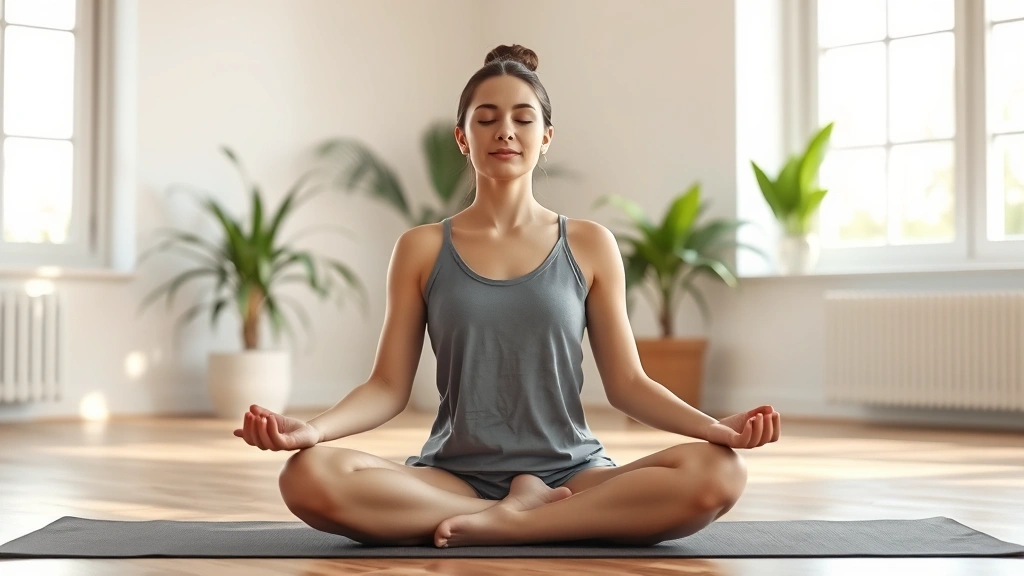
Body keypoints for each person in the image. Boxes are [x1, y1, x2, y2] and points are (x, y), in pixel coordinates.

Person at [233, 44, 780, 549]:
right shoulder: (421, 248)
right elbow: (387, 386)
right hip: (453, 476)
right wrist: (312, 430)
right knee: (306, 476)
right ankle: (523, 518)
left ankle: (510, 523)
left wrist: (712, 428)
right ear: (462, 137)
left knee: (720, 472)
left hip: (572, 473)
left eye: (523, 119)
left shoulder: (589, 244)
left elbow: (629, 385)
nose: (505, 132)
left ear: (546, 138)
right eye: (487, 119)